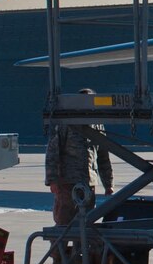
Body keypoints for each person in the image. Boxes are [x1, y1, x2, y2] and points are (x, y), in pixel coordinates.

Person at [44, 89, 113, 229]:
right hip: (67, 183)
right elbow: (53, 152)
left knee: (87, 224)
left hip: (88, 183)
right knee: (63, 224)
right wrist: (53, 180)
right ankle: (59, 251)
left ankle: (80, 251)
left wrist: (108, 184)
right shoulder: (66, 124)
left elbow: (103, 156)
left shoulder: (98, 125)